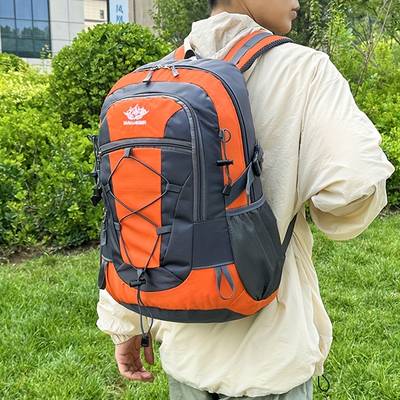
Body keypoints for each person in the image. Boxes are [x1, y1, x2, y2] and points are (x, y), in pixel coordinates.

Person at [96, 1, 395, 399]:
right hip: (270, 356)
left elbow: (127, 217)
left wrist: (125, 325)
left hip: (185, 350)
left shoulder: (150, 81)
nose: (298, 2)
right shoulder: (304, 70)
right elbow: (350, 193)